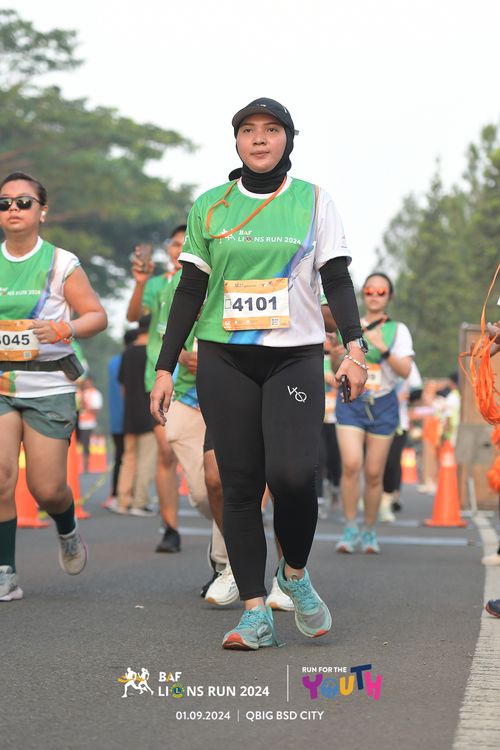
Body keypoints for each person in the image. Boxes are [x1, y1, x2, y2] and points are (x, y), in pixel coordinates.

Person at [151, 97, 367, 650]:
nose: (260, 139)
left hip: (294, 356)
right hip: (224, 356)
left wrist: (354, 348)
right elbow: (190, 291)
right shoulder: (211, 206)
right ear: (237, 142)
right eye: (248, 130)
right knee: (240, 483)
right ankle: (254, 613)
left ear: (288, 139)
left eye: (271, 130)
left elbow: (337, 279)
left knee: (293, 476)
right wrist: (164, 366)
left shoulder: (313, 201)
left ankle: (293, 574)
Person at [0, 171, 107, 602]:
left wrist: (64, 328)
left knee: (46, 489)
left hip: (47, 385)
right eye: (4, 203)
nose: (13, 209)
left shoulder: (61, 263)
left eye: (23, 202)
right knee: (1, 477)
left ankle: (67, 527)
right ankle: (5, 570)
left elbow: (96, 316)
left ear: (42, 211)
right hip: (1, 383)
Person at [334, 272, 413, 554]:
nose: (375, 296)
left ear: (390, 296)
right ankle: (350, 527)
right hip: (352, 402)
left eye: (381, 292)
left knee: (374, 472)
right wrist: (337, 353)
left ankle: (369, 530)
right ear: (363, 294)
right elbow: (335, 363)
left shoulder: (398, 330)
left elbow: (406, 371)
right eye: (369, 290)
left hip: (384, 404)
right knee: (351, 464)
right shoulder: (350, 326)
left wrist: (382, 348)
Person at [127, 229, 185, 550]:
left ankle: (222, 525)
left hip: (203, 376)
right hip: (161, 375)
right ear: (168, 249)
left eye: (186, 243)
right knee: (166, 451)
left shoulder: (211, 278)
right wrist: (140, 283)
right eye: (175, 244)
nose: (180, 248)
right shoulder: (156, 284)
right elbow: (133, 315)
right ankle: (171, 528)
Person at [110, 315, 157, 515]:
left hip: (129, 413)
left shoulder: (127, 353)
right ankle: (139, 502)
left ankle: (123, 501)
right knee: (146, 460)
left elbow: (122, 386)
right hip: (149, 413)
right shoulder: (154, 352)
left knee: (128, 459)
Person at [379, 360, 423, 520]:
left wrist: (408, 396)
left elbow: (417, 389)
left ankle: (388, 500)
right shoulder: (372, 357)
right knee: (373, 463)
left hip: (398, 423)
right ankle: (373, 496)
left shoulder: (407, 361)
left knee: (392, 462)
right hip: (371, 420)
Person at [104, 328, 138, 508]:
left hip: (116, 418)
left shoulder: (113, 362)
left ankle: (115, 494)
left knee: (119, 458)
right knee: (132, 458)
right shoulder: (131, 360)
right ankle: (129, 495)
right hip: (131, 417)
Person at [77, 375, 103, 472]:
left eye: (89, 382)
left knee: (85, 444)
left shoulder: (95, 393)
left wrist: (86, 406)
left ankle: (85, 465)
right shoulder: (78, 392)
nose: (87, 384)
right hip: (76, 422)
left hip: (88, 423)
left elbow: (97, 409)